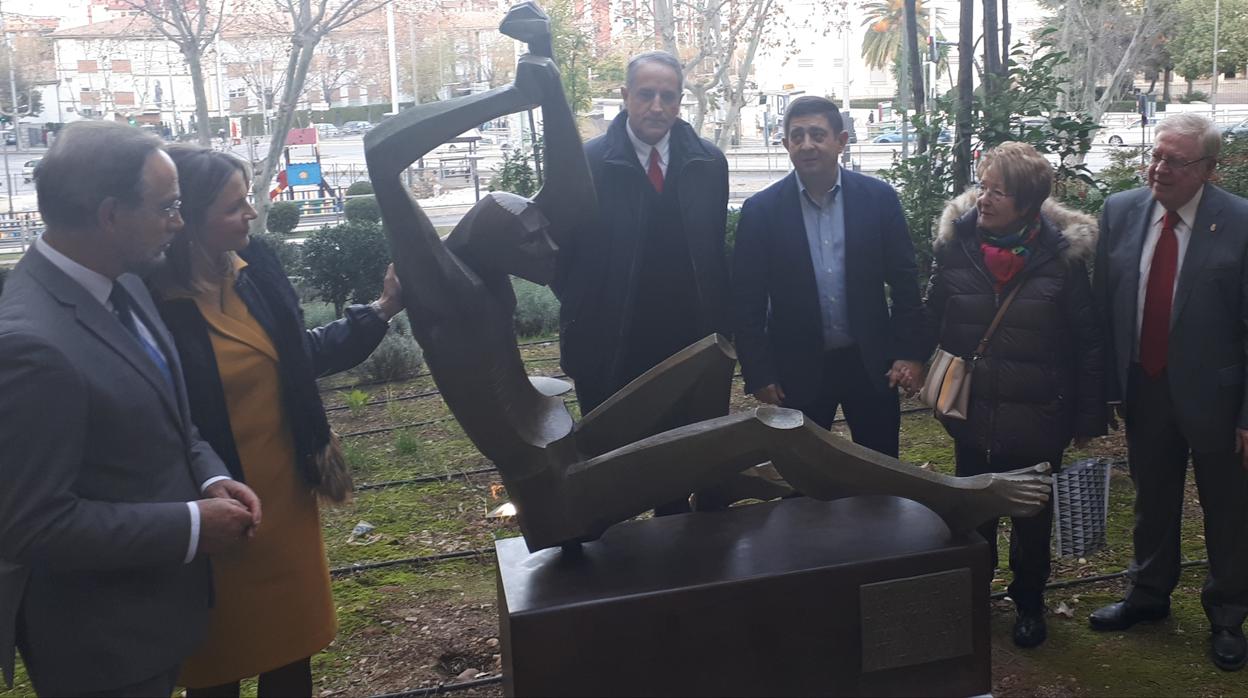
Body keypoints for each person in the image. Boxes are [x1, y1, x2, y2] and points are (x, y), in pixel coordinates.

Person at [0, 121, 261, 696]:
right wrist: (194, 524)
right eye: (168, 206)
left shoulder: (128, 286)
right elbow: (33, 526)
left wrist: (211, 475)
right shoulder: (28, 345)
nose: (178, 221)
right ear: (110, 214)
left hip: (159, 622)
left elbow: (173, 419)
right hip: (101, 649)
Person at [149, 145, 402, 696]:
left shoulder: (256, 265)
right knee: (218, 664)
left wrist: (381, 311)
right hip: (214, 504)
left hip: (285, 497)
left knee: (291, 650)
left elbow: (297, 353)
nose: (251, 213)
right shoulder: (151, 299)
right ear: (188, 218)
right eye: (234, 206)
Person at [922, 141, 1105, 649]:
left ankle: (1028, 603)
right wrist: (909, 358)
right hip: (970, 409)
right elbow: (931, 312)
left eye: (997, 191)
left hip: (1039, 414)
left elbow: (1088, 343)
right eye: (983, 186)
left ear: (1026, 203)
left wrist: (1089, 415)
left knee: (1030, 518)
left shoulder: (1060, 260)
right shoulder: (956, 246)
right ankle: (974, 594)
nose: (983, 198)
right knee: (973, 511)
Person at [1090, 113, 1248, 672]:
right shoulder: (1120, 210)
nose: (1158, 169)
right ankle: (1148, 595)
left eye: (1175, 161)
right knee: (1152, 500)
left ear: (1208, 169)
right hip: (1145, 386)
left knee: (1228, 511)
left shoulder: (1240, 223)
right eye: (1155, 156)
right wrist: (1108, 386)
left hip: (1220, 401)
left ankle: (1228, 614)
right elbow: (1104, 306)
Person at [553, 49, 732, 515]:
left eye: (668, 97)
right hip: (611, 343)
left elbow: (713, 251)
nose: (657, 107)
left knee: (685, 460)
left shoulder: (709, 163)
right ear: (625, 96)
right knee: (614, 471)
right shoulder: (587, 164)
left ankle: (688, 565)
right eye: (646, 94)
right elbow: (561, 259)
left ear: (679, 102)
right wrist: (587, 307)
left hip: (689, 343)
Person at [732, 95, 925, 458]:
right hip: (796, 371)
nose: (807, 145)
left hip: (870, 364)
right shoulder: (761, 212)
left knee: (881, 473)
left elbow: (904, 280)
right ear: (785, 142)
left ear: (841, 140)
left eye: (818, 134)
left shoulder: (878, 200)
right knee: (803, 480)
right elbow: (747, 301)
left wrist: (909, 353)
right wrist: (759, 373)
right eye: (797, 135)